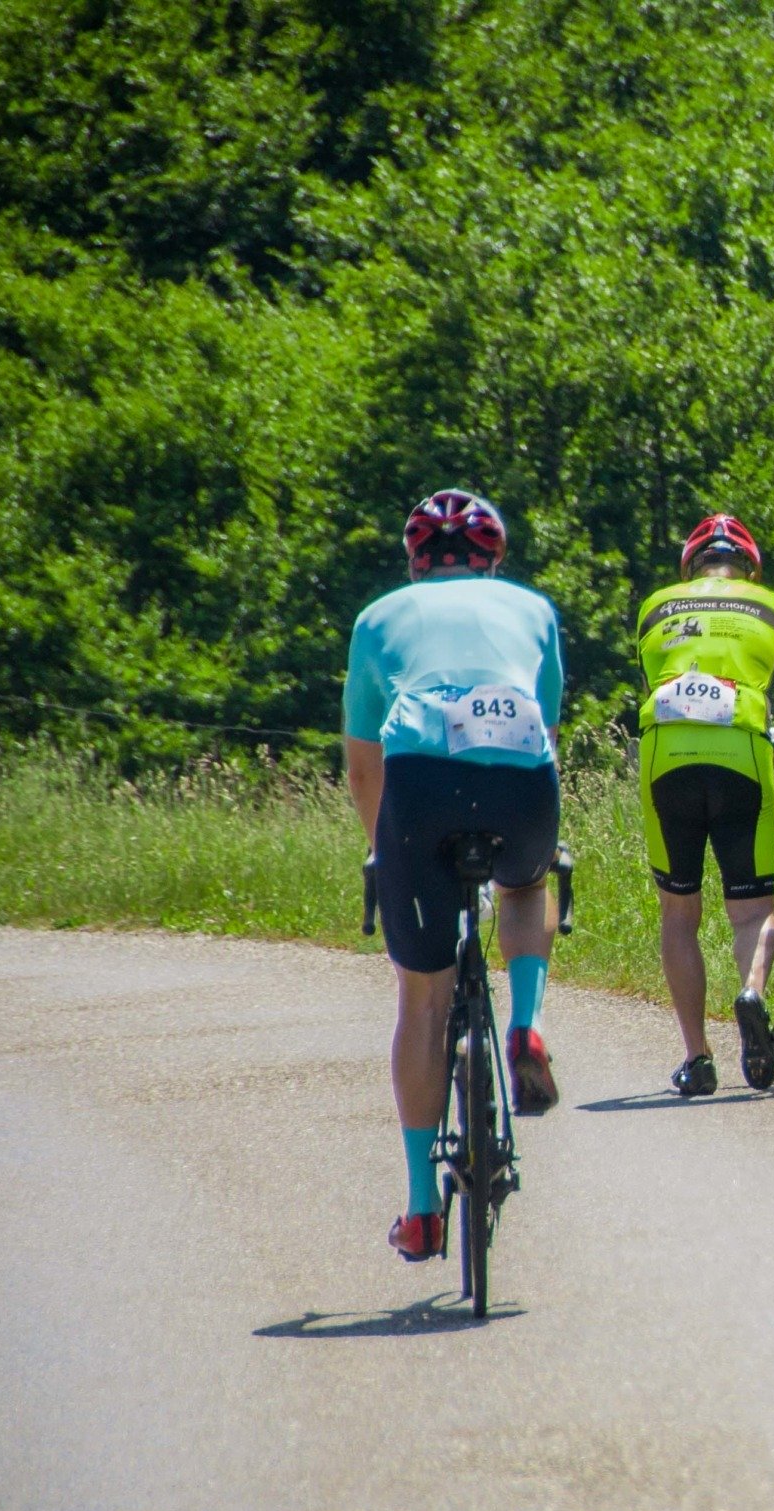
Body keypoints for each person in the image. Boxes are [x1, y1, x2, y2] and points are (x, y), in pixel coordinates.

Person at [343, 490, 567, 1262]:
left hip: (417, 786)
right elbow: (549, 724)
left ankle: (419, 1210)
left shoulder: (376, 619)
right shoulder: (532, 608)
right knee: (528, 885)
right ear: (492, 558)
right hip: (520, 778)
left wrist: (387, 851)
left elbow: (363, 765)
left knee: (421, 996)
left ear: (415, 561)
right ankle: (526, 1023)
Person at [636, 513, 774, 1095]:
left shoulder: (655, 606)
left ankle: (698, 1057)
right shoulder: (768, 605)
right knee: (751, 910)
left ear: (690, 565)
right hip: (740, 752)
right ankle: (753, 993)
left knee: (679, 913)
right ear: (749, 567)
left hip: (667, 758)